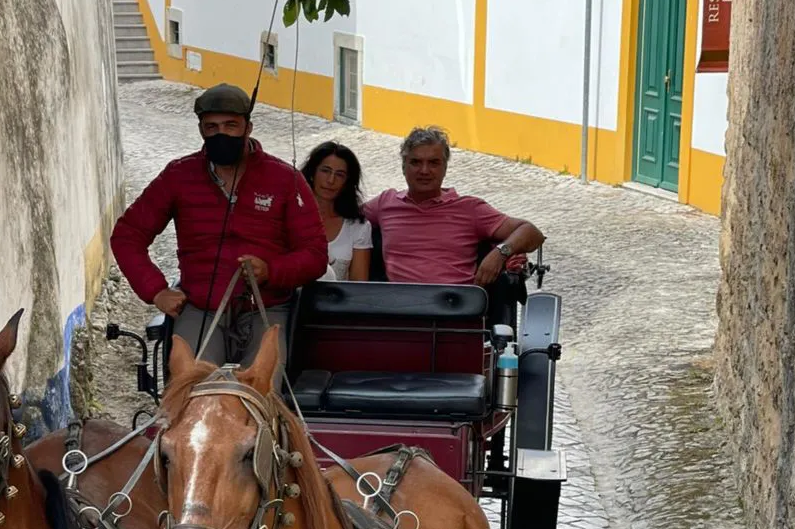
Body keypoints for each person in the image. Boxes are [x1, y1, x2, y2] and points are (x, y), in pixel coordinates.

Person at [109, 83, 328, 367]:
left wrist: (271, 271)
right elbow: (128, 236)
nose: (221, 134)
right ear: (201, 129)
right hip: (201, 308)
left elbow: (315, 254)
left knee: (263, 391)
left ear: (248, 127)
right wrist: (156, 290)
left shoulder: (285, 179)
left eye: (230, 125)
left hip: (266, 308)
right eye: (211, 127)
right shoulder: (179, 175)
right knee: (189, 389)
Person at [364, 126, 545, 286]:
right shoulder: (385, 203)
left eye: (434, 163)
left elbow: (532, 232)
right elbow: (340, 215)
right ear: (404, 167)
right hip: (400, 312)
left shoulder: (470, 209)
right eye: (415, 162)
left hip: (455, 310)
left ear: (445, 168)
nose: (424, 171)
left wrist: (500, 253)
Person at [301, 142, 372, 281]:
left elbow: (359, 284)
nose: (331, 180)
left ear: (347, 182)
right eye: (325, 171)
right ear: (312, 173)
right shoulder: (290, 216)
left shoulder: (358, 227)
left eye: (339, 175)